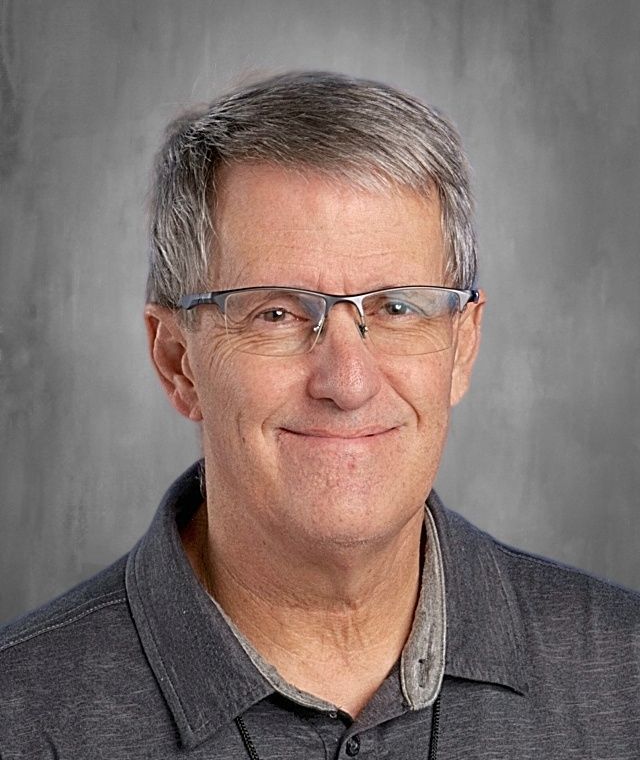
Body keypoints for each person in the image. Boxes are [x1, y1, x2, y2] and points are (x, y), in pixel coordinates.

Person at [1, 72, 638, 759]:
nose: (347, 381)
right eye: (276, 312)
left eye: (396, 308)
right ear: (178, 361)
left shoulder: (626, 681)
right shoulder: (21, 715)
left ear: (461, 347)